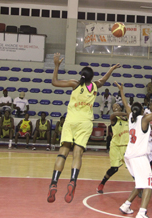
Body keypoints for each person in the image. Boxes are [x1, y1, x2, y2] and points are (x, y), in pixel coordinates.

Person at [47, 53, 120, 204]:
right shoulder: (94, 86)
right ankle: (73, 180)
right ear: (91, 77)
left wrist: (56, 66)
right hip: (85, 122)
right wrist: (111, 69)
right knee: (77, 154)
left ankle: (54, 182)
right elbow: (104, 80)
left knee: (62, 153)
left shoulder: (75, 84)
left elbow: (54, 82)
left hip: (71, 121)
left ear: (81, 75)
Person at [118, 78, 152, 218]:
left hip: (129, 156)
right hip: (139, 157)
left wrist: (121, 91)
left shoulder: (130, 118)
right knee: (149, 185)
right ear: (141, 112)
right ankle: (142, 213)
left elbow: (126, 104)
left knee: (140, 182)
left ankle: (126, 205)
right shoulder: (144, 120)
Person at [97, 103, 129, 194]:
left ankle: (139, 187)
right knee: (114, 168)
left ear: (121, 108)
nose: (115, 108)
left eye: (117, 106)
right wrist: (127, 113)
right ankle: (102, 184)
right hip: (115, 146)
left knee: (131, 168)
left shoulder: (129, 119)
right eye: (113, 107)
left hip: (127, 146)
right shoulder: (114, 118)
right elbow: (113, 115)